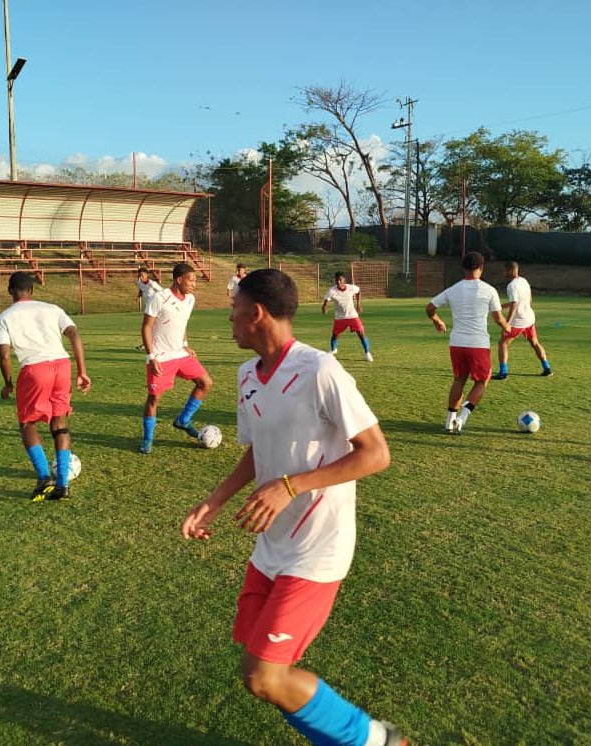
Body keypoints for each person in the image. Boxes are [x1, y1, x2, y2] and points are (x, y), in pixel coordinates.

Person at [181, 269, 406, 746]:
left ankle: (379, 741)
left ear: (256, 313)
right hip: (271, 547)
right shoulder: (246, 375)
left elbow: (376, 453)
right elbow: (256, 449)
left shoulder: (320, 370)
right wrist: (214, 501)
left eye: (234, 309)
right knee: (255, 672)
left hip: (317, 548)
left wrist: (290, 485)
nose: (230, 317)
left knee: (266, 676)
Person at [0, 271, 91, 501]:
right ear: (33, 290)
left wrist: (8, 383)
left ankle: (45, 476)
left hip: (35, 368)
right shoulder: (52, 308)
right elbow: (74, 335)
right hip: (61, 365)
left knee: (27, 423)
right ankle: (63, 485)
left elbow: (4, 355)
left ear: (10, 291)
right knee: (59, 422)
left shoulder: (4, 317)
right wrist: (82, 371)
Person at [426, 252, 510, 435]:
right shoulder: (489, 290)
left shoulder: (453, 289)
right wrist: (507, 327)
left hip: (457, 343)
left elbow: (430, 307)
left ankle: (449, 422)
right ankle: (462, 417)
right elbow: (498, 318)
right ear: (481, 267)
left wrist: (437, 321)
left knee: (459, 379)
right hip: (478, 343)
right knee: (482, 380)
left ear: (463, 268)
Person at [139, 262, 213, 455]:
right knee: (154, 398)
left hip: (180, 353)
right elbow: (146, 327)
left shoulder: (190, 300)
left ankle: (183, 420)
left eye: (195, 280)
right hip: (161, 357)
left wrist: (185, 343)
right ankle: (148, 439)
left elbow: (182, 323)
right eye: (191, 280)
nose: (194, 284)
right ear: (179, 280)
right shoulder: (159, 298)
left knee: (205, 383)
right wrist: (151, 356)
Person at [493, 261, 552, 379]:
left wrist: (507, 324)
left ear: (510, 270)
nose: (504, 273)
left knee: (503, 343)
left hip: (518, 321)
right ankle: (547, 368)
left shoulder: (511, 286)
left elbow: (515, 304)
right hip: (529, 318)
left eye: (505, 270)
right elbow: (524, 299)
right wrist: (504, 305)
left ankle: (503, 373)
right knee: (535, 343)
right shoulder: (523, 281)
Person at [322, 272, 373, 362]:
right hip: (340, 318)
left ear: (344, 280)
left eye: (340, 279)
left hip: (352, 316)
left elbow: (359, 291)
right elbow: (326, 301)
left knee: (361, 334)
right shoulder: (332, 290)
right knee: (334, 336)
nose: (338, 281)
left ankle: (367, 353)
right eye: (336, 280)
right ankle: (334, 349)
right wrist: (324, 307)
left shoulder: (351, 288)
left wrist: (358, 304)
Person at [135, 267, 163, 350]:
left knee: (152, 326)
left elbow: (162, 292)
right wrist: (138, 296)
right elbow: (141, 290)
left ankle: (150, 344)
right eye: (139, 275)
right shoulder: (139, 282)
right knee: (149, 326)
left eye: (142, 275)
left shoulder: (152, 284)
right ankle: (147, 344)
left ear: (146, 275)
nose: (140, 277)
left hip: (156, 308)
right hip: (148, 308)